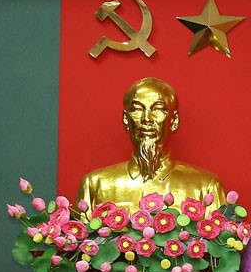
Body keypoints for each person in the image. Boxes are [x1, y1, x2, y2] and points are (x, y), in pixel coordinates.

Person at [77, 77, 227, 210]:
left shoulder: (206, 187)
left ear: (174, 121)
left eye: (158, 109)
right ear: (125, 120)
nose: (147, 119)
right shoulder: (95, 185)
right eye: (137, 109)